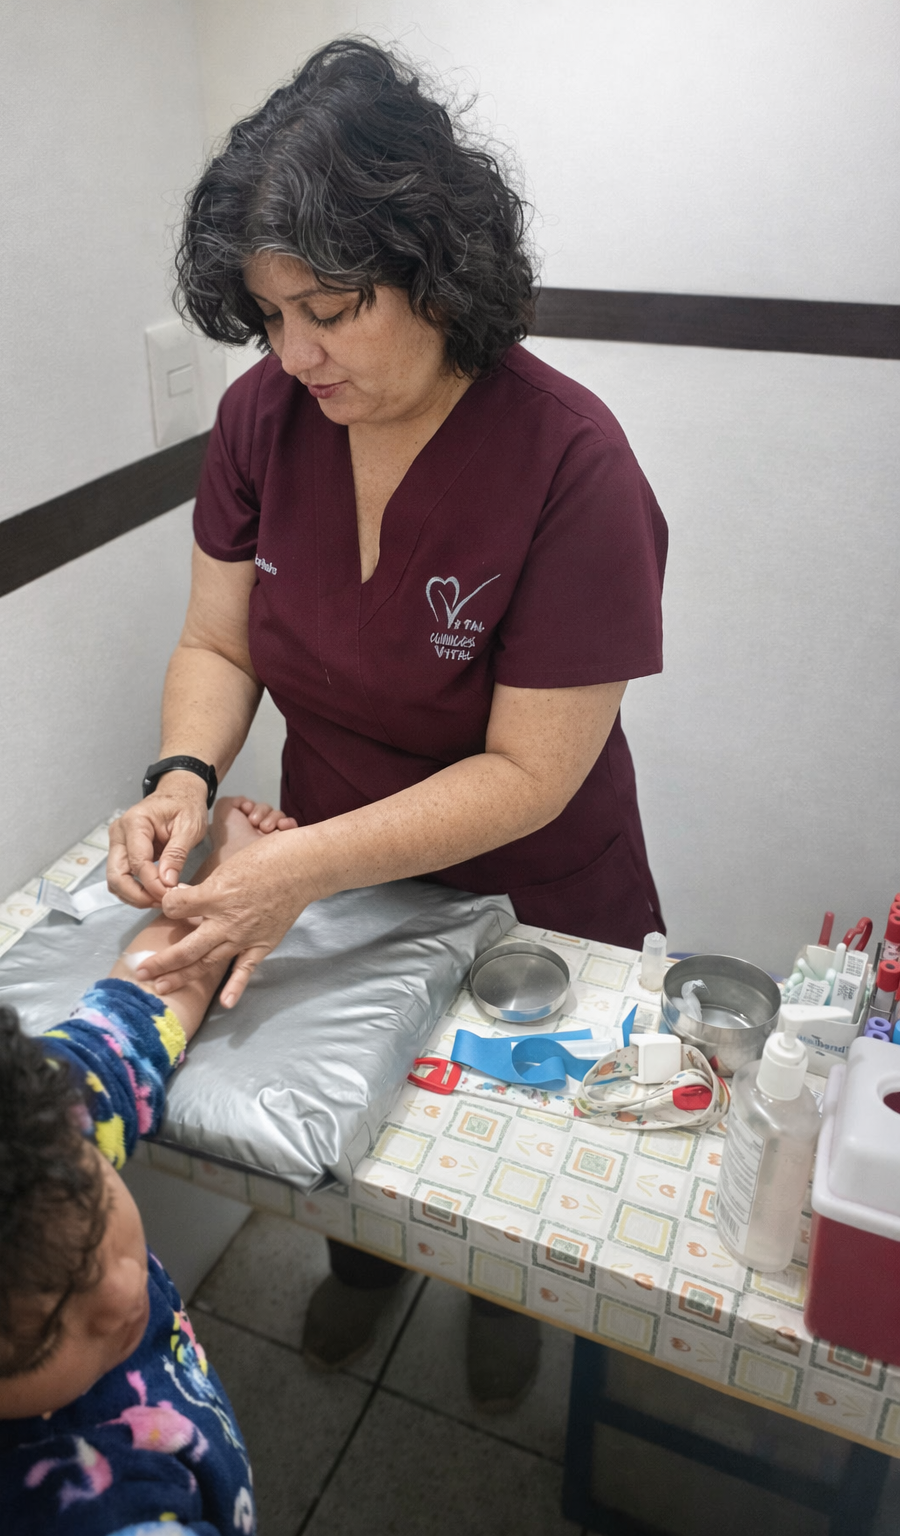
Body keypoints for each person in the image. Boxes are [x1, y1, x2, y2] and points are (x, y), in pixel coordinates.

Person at [107, 39, 668, 1409]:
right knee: (345, 1133)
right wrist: (184, 777)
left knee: (498, 1171)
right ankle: (363, 1274)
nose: (295, 353)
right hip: (334, 874)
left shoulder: (572, 461)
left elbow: (530, 771)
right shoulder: (264, 418)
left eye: (332, 308)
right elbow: (217, 640)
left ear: (436, 267)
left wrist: (293, 868)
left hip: (534, 895)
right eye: (269, 316)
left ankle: (500, 1304)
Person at [0, 803, 270, 1536]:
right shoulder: (65, 1512)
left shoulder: (28, 1124)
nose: (124, 1291)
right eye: (50, 1325)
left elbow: (146, 996)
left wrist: (235, 864)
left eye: (93, 1200)